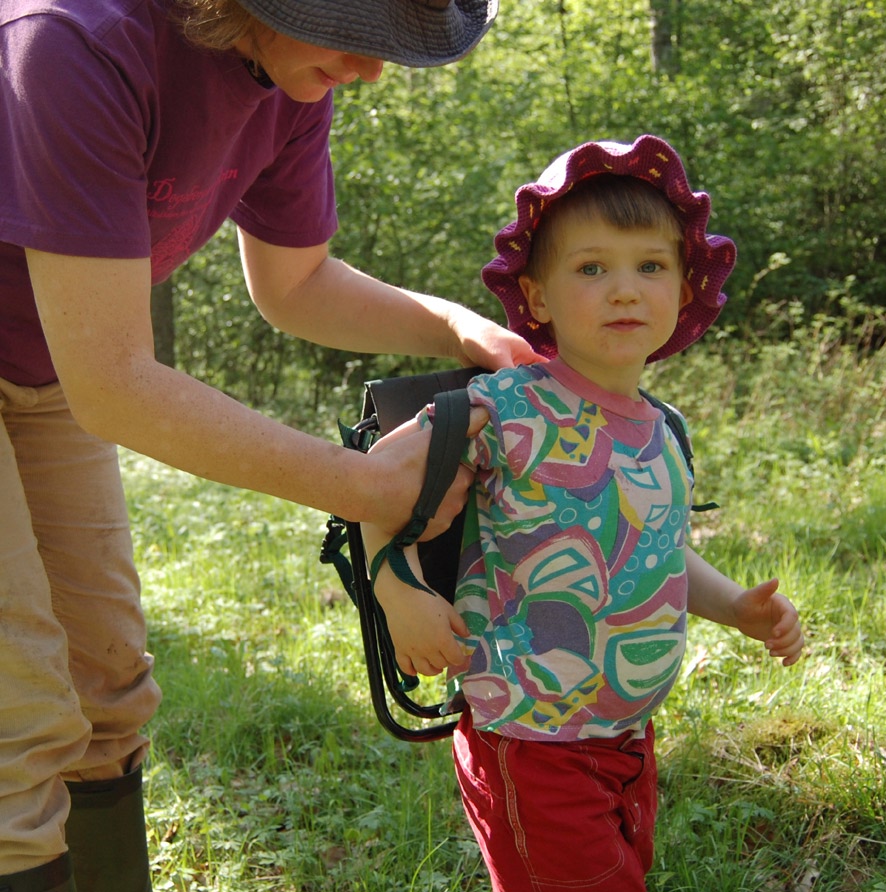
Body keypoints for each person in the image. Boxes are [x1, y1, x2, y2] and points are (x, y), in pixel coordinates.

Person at [0, 0, 543, 889]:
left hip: (53, 371)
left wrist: (452, 326)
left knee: (105, 693)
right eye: (359, 32)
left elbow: (295, 283)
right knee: (15, 722)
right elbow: (115, 384)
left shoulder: (289, 70)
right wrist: (365, 487)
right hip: (82, 368)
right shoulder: (75, 46)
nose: (373, 71)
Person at [362, 135, 806, 892]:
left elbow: (657, 551)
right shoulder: (506, 409)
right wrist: (396, 588)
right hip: (529, 739)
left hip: (627, 737)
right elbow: (374, 477)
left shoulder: (662, 429)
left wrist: (736, 606)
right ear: (537, 297)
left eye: (650, 266)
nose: (626, 289)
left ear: (683, 287)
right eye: (592, 268)